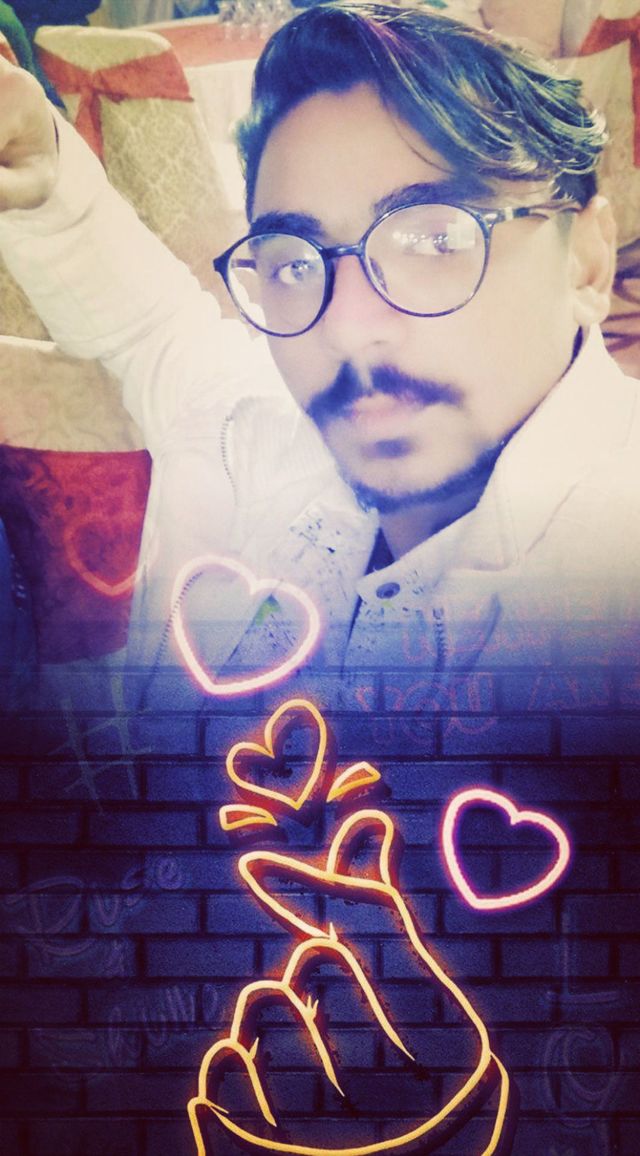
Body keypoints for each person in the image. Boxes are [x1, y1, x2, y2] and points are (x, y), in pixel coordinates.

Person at [0, 2, 637, 706]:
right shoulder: (260, 433)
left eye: (435, 239)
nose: (346, 329)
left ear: (585, 262)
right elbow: (151, 331)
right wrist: (41, 169)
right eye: (296, 263)